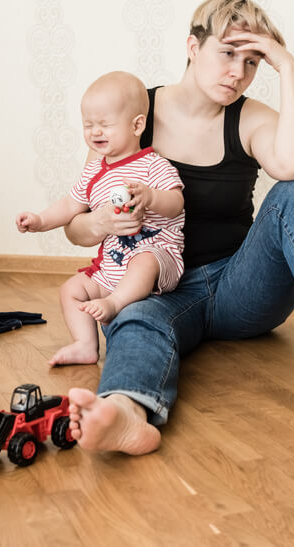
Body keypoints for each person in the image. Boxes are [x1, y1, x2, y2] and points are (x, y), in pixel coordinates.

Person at [62, 0, 294, 455]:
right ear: (193, 46)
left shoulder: (248, 117)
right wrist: (101, 221)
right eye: (227, 54)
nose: (238, 72)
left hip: (240, 289)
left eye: (252, 61)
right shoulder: (132, 113)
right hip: (154, 289)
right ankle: (128, 412)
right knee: (135, 318)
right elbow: (75, 226)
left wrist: (288, 68)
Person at [16, 71, 185, 366]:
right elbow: (71, 204)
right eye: (88, 125)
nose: (95, 133)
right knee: (71, 289)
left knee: (143, 260)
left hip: (159, 259)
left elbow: (177, 202)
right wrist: (40, 221)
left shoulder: (152, 165)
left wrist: (151, 197)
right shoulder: (94, 173)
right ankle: (84, 344)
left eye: (105, 125)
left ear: (137, 125)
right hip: (113, 264)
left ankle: (115, 303)